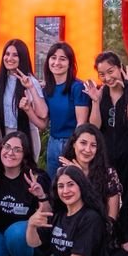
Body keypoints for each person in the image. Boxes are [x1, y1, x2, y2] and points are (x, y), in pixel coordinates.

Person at [85, 51, 128, 189]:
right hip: (106, 156)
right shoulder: (100, 94)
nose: (107, 78)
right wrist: (95, 102)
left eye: (110, 71)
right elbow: (95, 127)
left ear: (120, 68)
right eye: (102, 74)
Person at [0, 38, 47, 163]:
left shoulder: (30, 81)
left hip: (26, 137)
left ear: (22, 58)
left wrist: (30, 88)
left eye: (15, 55)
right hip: (3, 136)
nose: (9, 58)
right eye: (7, 54)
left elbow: (43, 114)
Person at [38, 42, 91, 176]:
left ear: (70, 63)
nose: (57, 63)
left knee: (72, 180)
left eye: (62, 59)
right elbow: (43, 123)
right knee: (53, 183)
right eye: (53, 58)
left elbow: (81, 123)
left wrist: (72, 148)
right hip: (53, 142)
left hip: (71, 142)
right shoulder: (47, 89)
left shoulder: (77, 87)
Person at [59, 124, 121, 226]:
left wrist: (81, 176)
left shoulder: (108, 173)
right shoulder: (63, 172)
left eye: (93, 145)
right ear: (74, 144)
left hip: (99, 228)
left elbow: (112, 216)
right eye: (83, 143)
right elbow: (60, 209)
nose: (87, 150)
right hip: (71, 228)